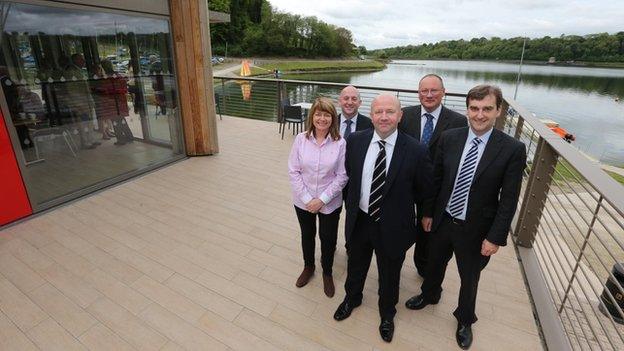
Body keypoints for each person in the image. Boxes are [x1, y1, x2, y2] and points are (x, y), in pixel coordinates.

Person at [405, 85, 527, 349]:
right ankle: (429, 294)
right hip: (442, 219)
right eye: (474, 108)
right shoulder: (450, 137)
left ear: (498, 111)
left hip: (476, 228)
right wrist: (427, 213)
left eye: (486, 109)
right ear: (467, 109)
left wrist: (495, 237)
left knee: (469, 277)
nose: (479, 115)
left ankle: (464, 319)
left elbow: (508, 200)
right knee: (433, 263)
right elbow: (435, 181)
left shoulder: (512, 149)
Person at [333, 94, 433, 343]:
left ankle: (387, 313)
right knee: (356, 264)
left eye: (390, 112)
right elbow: (349, 179)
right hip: (360, 219)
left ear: (400, 116)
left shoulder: (417, 150)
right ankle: (352, 298)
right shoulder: (356, 141)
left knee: (390, 274)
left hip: (394, 225)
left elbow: (425, 191)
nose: (384, 117)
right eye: (379, 112)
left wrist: (425, 217)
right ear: (372, 115)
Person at [399, 74, 467, 277]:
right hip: (405, 185)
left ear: (443, 93)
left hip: (435, 190)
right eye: (424, 91)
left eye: (434, 90)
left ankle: (423, 268)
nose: (429, 95)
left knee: (427, 231)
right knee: (400, 226)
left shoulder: (458, 121)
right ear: (418, 93)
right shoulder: (404, 115)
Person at [288, 97, 348, 298]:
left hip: (330, 202)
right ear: (312, 116)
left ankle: (327, 272)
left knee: (328, 238)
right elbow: (293, 171)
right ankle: (309, 267)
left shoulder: (340, 143)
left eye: (327, 114)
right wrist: (307, 199)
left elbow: (342, 176)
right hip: (302, 201)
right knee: (307, 234)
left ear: (333, 118)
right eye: (318, 113)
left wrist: (321, 199)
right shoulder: (300, 139)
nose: (322, 118)